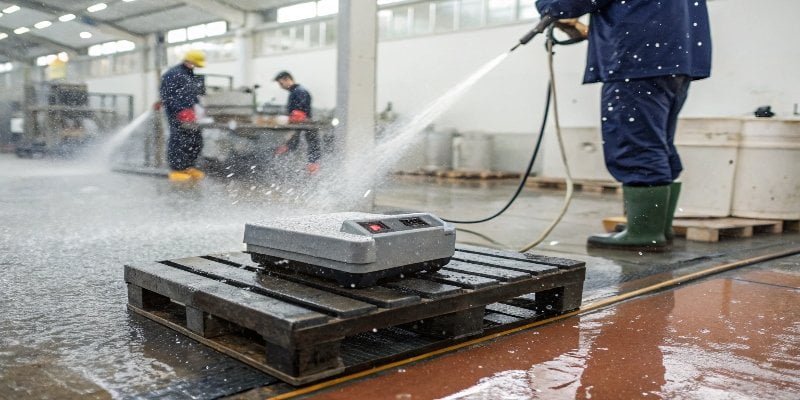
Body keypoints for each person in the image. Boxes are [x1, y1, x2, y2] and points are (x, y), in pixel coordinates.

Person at [535, 0, 712, 251]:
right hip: (676, 57)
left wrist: (551, 5)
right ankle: (657, 226)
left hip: (637, 57)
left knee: (635, 144)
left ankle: (645, 232)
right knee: (657, 143)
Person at [159, 49, 207, 182]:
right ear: (189, 61)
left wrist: (198, 108)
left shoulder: (189, 74)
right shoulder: (173, 74)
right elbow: (167, 95)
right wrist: (180, 110)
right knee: (179, 140)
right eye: (195, 63)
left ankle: (189, 166)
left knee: (195, 140)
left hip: (191, 113)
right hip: (177, 114)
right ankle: (176, 169)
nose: (196, 66)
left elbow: (192, 95)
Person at [273, 71, 321, 174]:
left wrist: (287, 119)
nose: (281, 87)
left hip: (304, 127)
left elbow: (299, 114)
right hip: (302, 128)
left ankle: (312, 167)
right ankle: (311, 167)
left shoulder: (299, 91)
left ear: (287, 79)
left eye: (281, 83)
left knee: (311, 150)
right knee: (300, 146)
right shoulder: (295, 92)